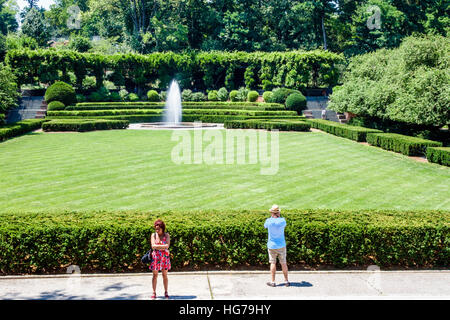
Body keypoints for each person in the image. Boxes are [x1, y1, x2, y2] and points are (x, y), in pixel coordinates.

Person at [264, 205, 289, 287]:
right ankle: (286, 281)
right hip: (281, 245)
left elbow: (265, 226)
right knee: (283, 263)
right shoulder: (283, 221)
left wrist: (272, 217)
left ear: (271, 213)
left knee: (273, 263)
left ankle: (273, 281)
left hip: (272, 245)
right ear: (278, 212)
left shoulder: (268, 221)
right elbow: (282, 224)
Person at [150, 219, 171, 299]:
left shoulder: (166, 235)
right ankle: (154, 292)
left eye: (159, 229)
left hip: (164, 258)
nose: (157, 230)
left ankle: (166, 292)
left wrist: (158, 246)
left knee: (164, 275)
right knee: (155, 275)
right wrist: (163, 246)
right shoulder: (153, 235)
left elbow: (167, 246)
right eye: (156, 229)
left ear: (163, 228)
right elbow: (153, 246)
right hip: (156, 257)